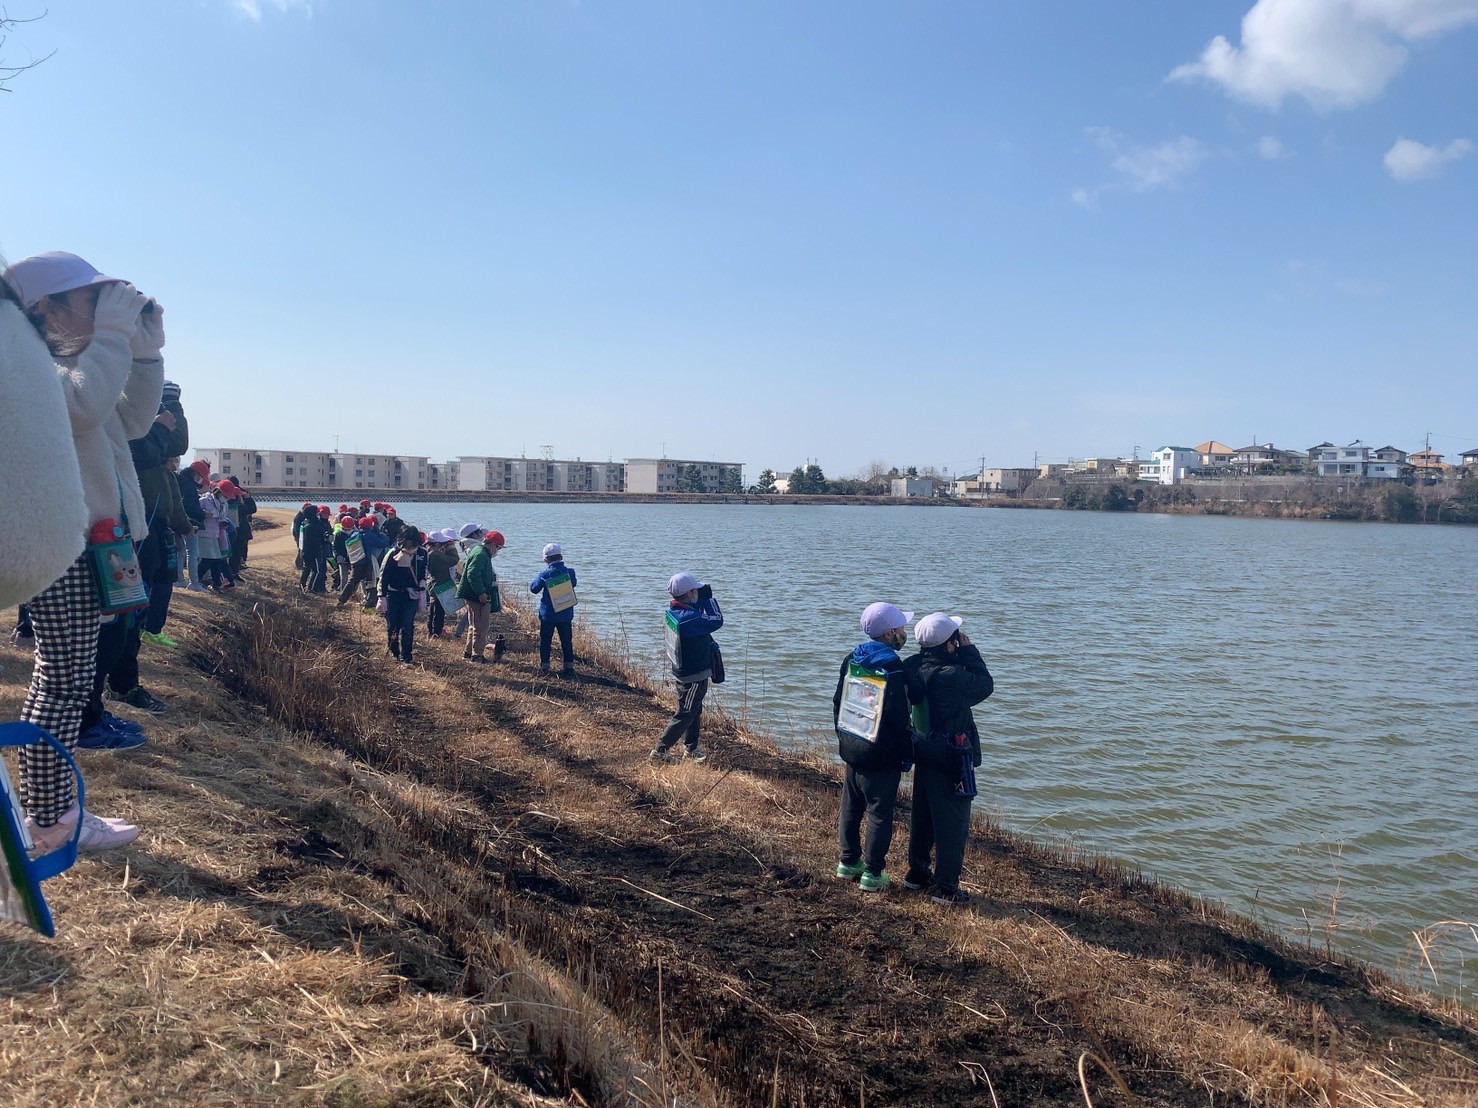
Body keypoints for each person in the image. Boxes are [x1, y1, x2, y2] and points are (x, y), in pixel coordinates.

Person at [3, 249, 164, 849]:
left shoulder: (70, 367)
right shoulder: (29, 371)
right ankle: (50, 821)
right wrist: (118, 337)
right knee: (63, 679)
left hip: (93, 542)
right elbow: (85, 403)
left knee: (70, 677)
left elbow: (135, 420)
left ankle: (53, 812)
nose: (102, 313)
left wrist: (143, 350)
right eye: (91, 301)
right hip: (64, 542)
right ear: (43, 307)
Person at [902, 612, 994, 907]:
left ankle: (916, 874)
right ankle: (946, 888)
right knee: (953, 823)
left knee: (924, 815)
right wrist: (970, 651)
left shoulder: (913, 666)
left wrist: (956, 652)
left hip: (923, 749)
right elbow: (984, 685)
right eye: (957, 637)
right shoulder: (951, 677)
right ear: (950, 645)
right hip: (952, 757)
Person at [832, 602, 915, 893]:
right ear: (890, 633)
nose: (905, 633)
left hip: (853, 744)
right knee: (880, 812)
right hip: (882, 752)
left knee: (851, 805)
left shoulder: (851, 658)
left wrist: (843, 736)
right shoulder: (894, 667)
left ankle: (847, 862)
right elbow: (898, 717)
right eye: (902, 629)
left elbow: (837, 701)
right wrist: (907, 755)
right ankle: (873, 873)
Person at [651, 572, 723, 764]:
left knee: (694, 710)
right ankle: (659, 752)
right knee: (685, 712)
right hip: (693, 676)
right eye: (696, 591)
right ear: (691, 593)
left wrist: (702, 599)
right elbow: (716, 620)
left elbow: (695, 613)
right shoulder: (689, 619)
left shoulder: (678, 612)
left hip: (686, 671)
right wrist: (709, 599)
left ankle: (691, 748)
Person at [377, 525, 425, 664]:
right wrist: (382, 596)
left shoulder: (422, 553)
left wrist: (422, 585)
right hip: (394, 594)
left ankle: (407, 655)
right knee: (393, 625)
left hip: (411, 595)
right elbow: (384, 575)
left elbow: (423, 571)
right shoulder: (392, 553)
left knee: (408, 624)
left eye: (413, 543)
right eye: (408, 543)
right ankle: (393, 651)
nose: (410, 547)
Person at [529, 542, 577, 676]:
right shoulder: (570, 572)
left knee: (545, 640)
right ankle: (569, 667)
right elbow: (573, 583)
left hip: (548, 615)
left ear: (546, 559)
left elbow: (533, 589)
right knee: (566, 640)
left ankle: (545, 667)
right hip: (565, 613)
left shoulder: (545, 574)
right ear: (560, 556)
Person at [456, 530, 504, 663]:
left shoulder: (479, 551)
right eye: (498, 548)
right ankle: (477, 656)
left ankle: (468, 652)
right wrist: (481, 593)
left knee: (473, 625)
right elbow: (472, 574)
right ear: (493, 545)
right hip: (476, 596)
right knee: (481, 626)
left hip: (472, 594)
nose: (497, 552)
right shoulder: (481, 555)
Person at [425, 529, 460, 639]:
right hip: (438, 585)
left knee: (433, 610)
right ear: (436, 543)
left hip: (433, 584)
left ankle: (432, 632)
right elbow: (454, 560)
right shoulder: (435, 554)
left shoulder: (430, 552)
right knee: (437, 612)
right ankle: (435, 634)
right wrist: (451, 548)